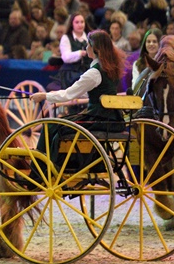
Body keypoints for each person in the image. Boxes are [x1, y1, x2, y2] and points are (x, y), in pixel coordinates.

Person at [29, 30, 127, 176]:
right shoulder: (110, 68)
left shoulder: (94, 72)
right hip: (112, 118)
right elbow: (82, 91)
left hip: (97, 118)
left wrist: (44, 96)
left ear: (96, 49)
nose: (86, 47)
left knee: (50, 125)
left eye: (88, 44)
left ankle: (38, 172)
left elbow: (69, 94)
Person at [48, 13, 92, 91]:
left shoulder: (90, 37)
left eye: (82, 22)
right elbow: (66, 57)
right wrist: (79, 53)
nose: (80, 25)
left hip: (87, 70)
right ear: (72, 24)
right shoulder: (66, 38)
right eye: (77, 22)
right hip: (70, 72)